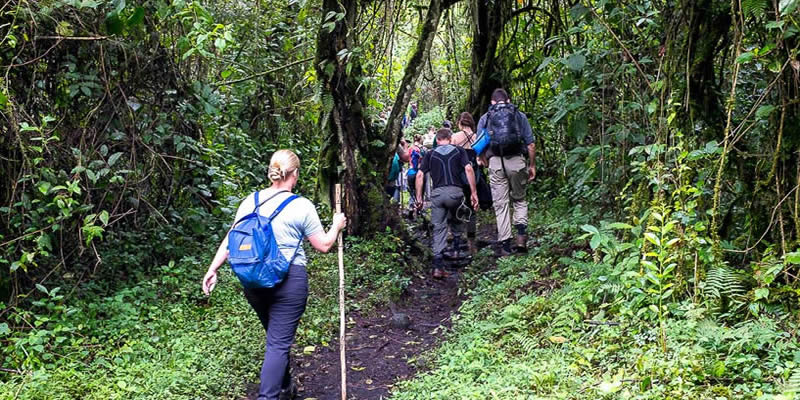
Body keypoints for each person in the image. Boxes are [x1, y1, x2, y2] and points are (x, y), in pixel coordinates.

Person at [202, 150, 347, 400]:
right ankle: (268, 396)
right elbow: (323, 245)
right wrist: (336, 225)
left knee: (276, 339)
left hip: (253, 281)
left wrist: (212, 269)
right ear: (295, 173)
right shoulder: (301, 205)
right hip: (289, 282)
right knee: (278, 344)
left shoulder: (251, 201)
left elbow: (232, 238)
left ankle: (285, 385)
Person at [476, 88, 536, 256]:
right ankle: (521, 237)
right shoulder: (519, 115)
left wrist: (485, 161)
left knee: (501, 204)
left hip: (495, 162)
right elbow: (531, 144)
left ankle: (505, 245)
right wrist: (532, 165)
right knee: (519, 198)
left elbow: (479, 145)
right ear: (508, 100)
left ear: (492, 102)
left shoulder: (486, 117)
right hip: (517, 161)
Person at [415, 128, 479, 279]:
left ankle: (438, 266)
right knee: (457, 218)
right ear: (450, 139)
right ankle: (456, 250)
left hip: (437, 195)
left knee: (439, 228)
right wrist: (473, 192)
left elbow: (419, 175)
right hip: (456, 192)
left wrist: (419, 198)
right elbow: (469, 169)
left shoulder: (430, 154)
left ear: (437, 140)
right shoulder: (459, 151)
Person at [451, 112, 481, 254]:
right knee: (472, 207)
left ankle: (456, 238)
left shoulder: (455, 137)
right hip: (474, 177)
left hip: (458, 176)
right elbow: (480, 159)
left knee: (456, 206)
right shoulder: (477, 137)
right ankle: (471, 242)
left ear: (460, 123)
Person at [406, 135, 424, 216]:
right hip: (419, 172)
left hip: (411, 172)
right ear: (420, 140)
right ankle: (419, 210)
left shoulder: (410, 148)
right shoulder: (422, 149)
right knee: (420, 192)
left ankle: (411, 206)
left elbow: (406, 158)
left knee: (411, 191)